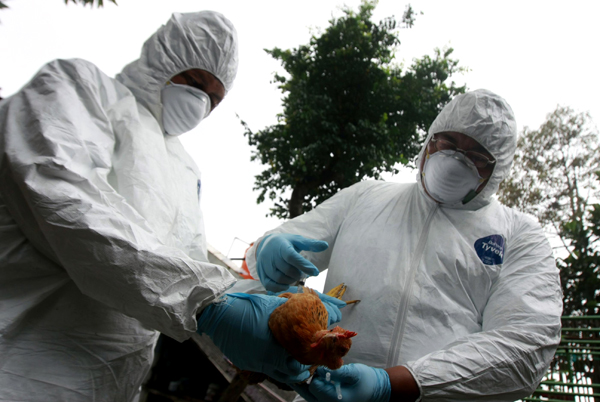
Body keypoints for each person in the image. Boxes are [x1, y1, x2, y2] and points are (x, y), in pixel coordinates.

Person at [0, 11, 339, 402]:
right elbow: (64, 199)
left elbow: (184, 264)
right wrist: (209, 304)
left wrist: (270, 307)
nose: (200, 102)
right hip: (18, 364)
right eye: (195, 82)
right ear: (164, 58)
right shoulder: (80, 86)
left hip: (108, 382)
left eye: (214, 98)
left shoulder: (184, 169)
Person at [245, 89, 563, 401]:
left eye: (476, 157)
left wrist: (398, 385)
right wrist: (265, 255)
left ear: (496, 172)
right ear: (429, 141)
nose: (455, 161)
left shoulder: (519, 235)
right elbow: (267, 257)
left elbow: (526, 347)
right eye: (449, 143)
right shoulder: (365, 197)